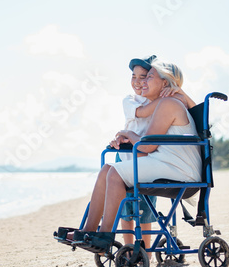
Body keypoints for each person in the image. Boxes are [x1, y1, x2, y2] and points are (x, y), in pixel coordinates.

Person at [79, 61, 202, 237]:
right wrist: (128, 137)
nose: (143, 82)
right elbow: (145, 147)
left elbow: (146, 146)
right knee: (107, 170)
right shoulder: (167, 104)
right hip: (171, 165)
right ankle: (88, 231)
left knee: (114, 173)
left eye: (149, 77)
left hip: (179, 171)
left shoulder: (169, 104)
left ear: (165, 83)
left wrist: (128, 133)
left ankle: (104, 235)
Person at [111, 56, 195, 257]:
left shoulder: (164, 102)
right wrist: (162, 98)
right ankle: (129, 247)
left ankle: (145, 252)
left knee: (146, 208)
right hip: (128, 156)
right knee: (127, 209)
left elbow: (197, 112)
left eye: (146, 76)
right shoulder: (132, 101)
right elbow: (143, 112)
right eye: (135, 77)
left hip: (147, 157)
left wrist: (177, 93)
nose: (140, 81)